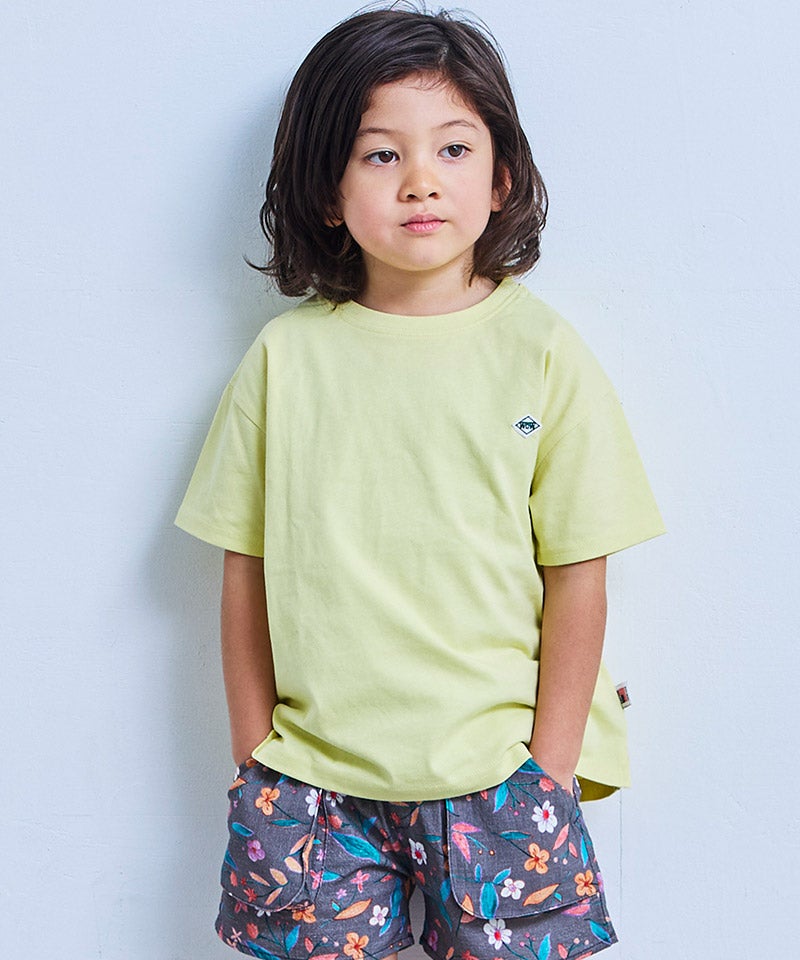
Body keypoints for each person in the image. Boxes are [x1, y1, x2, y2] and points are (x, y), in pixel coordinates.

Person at [175, 6, 665, 960]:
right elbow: (244, 570)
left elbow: (580, 572)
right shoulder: (284, 361)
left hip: (499, 780)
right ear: (327, 190)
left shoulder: (544, 353)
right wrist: (254, 759)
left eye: (453, 147)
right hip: (312, 786)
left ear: (501, 178)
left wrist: (548, 769)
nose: (421, 180)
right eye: (380, 154)